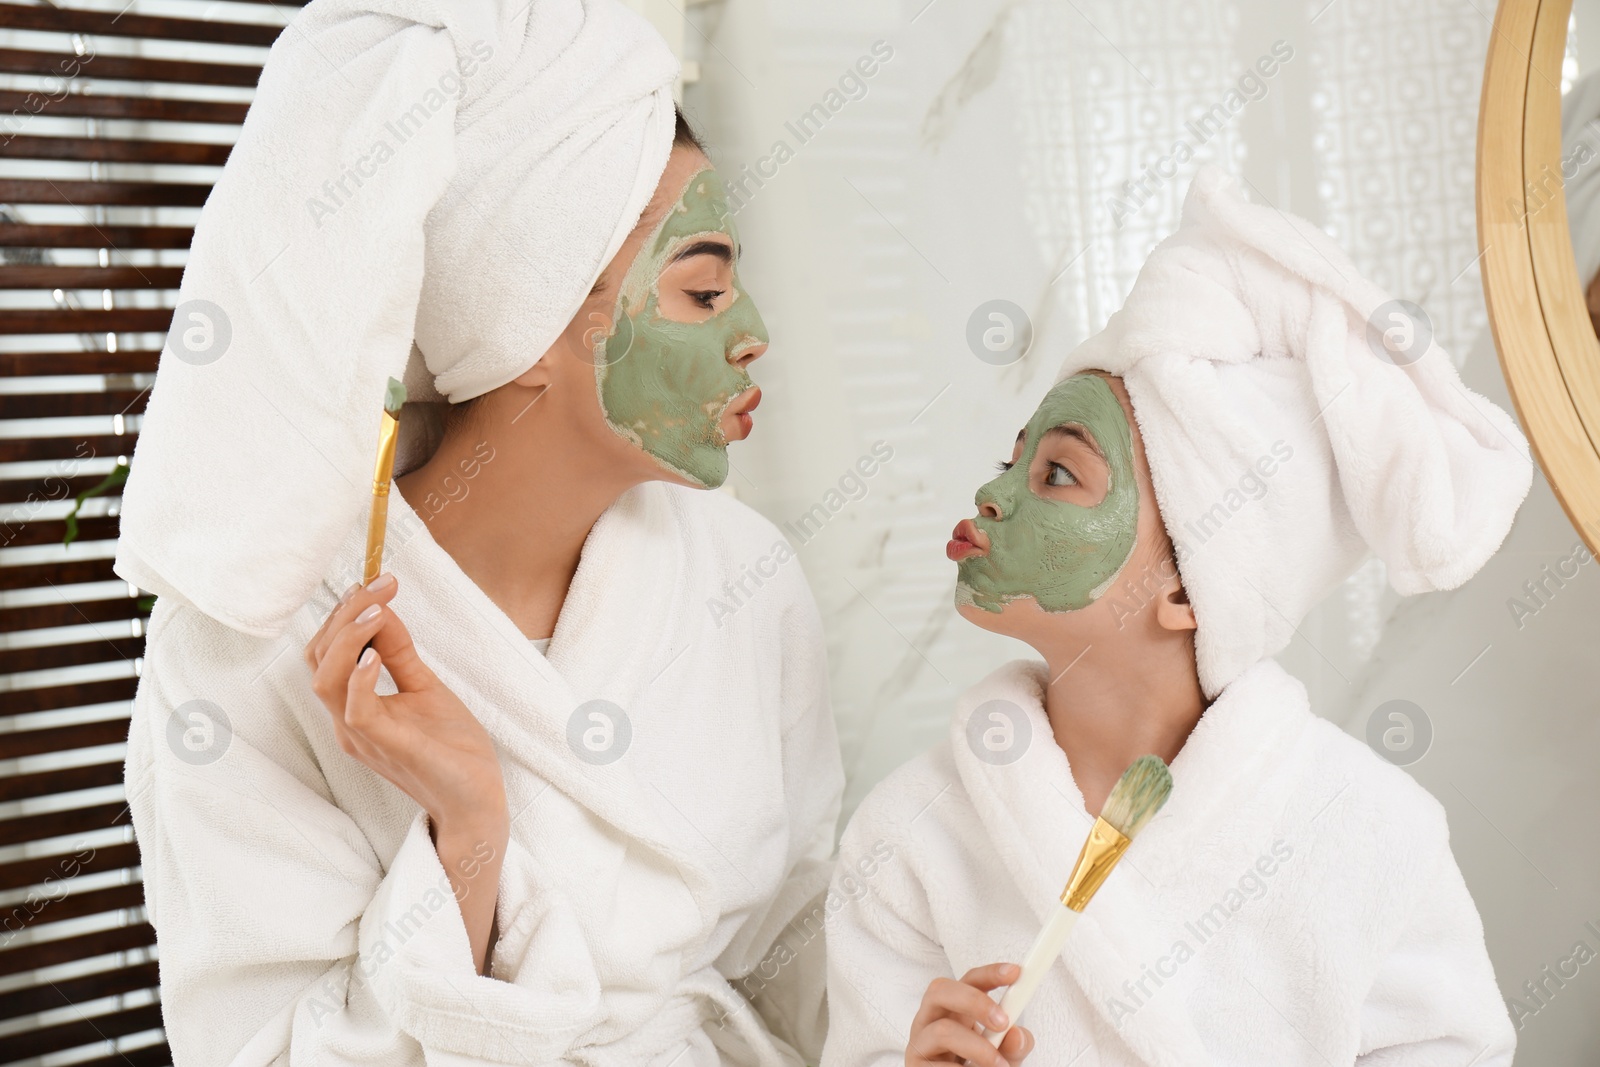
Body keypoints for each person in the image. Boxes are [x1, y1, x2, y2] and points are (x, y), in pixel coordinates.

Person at [115, 2, 842, 1064]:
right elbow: (260, 1045)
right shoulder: (245, 656)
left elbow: (800, 956)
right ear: (532, 313)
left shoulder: (745, 577)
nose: (753, 335)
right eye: (702, 289)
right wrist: (468, 836)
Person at [820, 166, 1527, 1067]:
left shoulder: (1373, 833)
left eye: (1059, 474)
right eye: (1012, 459)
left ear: (1193, 587)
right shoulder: (909, 836)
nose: (993, 495)